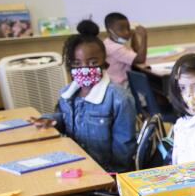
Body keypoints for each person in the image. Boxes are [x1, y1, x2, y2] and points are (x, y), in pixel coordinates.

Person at [30, 21, 136, 173]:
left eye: (93, 62)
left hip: (103, 171)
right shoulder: (67, 93)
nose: (85, 69)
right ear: (70, 65)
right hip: (73, 165)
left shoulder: (119, 98)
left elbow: (124, 146)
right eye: (77, 63)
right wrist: (50, 120)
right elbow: (65, 118)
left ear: (104, 63)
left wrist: (114, 176)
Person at [103, 12, 149, 87]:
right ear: (109, 31)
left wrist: (134, 35)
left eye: (128, 28)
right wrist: (144, 37)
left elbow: (136, 53)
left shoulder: (108, 42)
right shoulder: (115, 48)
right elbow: (140, 60)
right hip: (120, 86)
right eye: (121, 30)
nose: (127, 32)